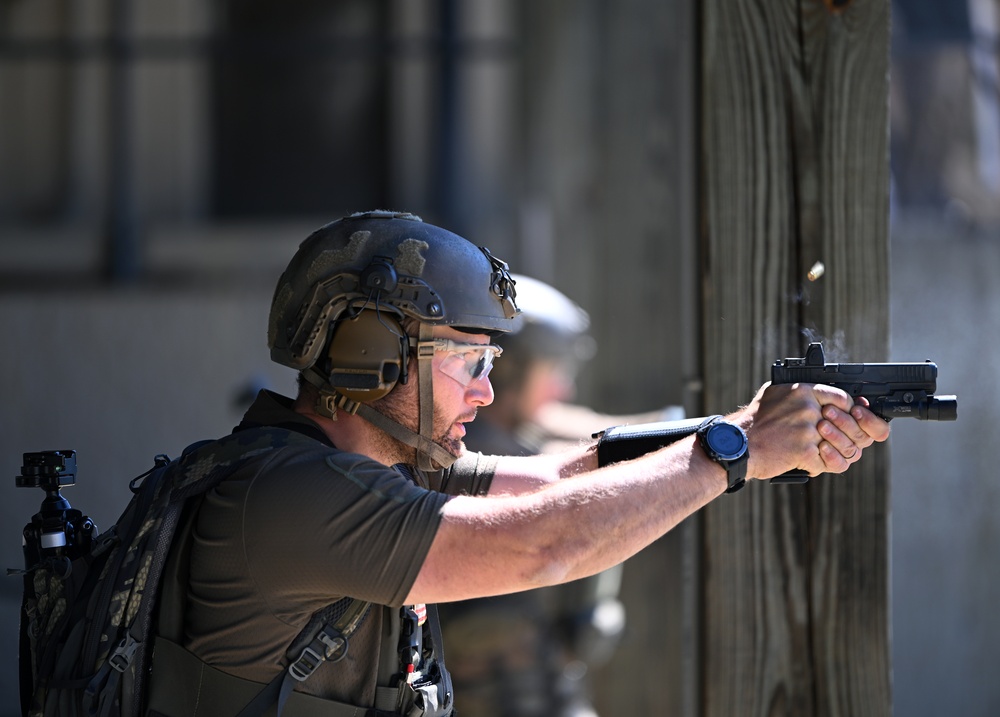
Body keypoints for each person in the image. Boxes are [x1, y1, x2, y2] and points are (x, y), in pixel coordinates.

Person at [146, 210, 890, 717]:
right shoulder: (292, 497)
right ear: (370, 357)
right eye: (467, 358)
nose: (487, 387)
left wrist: (745, 424)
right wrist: (739, 453)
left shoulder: (383, 466)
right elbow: (545, 542)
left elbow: (562, 479)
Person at [439, 274, 680, 717]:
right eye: (554, 372)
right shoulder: (480, 455)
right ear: (508, 372)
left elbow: (573, 427)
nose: (563, 389)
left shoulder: (509, 433)